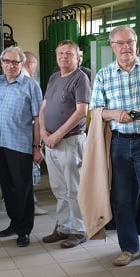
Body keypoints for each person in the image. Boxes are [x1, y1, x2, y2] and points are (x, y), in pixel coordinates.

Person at [89, 26, 140, 276]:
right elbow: (95, 109)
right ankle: (129, 248)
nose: (125, 47)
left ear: (136, 43)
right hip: (119, 143)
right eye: (120, 43)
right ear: (112, 46)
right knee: (121, 199)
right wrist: (114, 114)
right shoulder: (104, 75)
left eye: (129, 42)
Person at [0, 46, 43, 248]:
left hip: (20, 145)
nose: (10, 66)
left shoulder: (31, 86)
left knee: (22, 188)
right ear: (1, 63)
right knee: (7, 187)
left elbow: (38, 118)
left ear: (22, 64)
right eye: (6, 61)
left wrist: (37, 147)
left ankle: (24, 230)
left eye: (15, 62)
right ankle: (14, 223)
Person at [40, 40, 90, 248]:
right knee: (59, 188)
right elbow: (43, 107)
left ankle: (80, 230)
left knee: (74, 188)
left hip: (70, 141)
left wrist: (57, 135)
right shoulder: (54, 77)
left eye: (69, 53)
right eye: (60, 53)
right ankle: (64, 227)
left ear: (78, 57)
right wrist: (43, 133)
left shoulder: (80, 78)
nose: (63, 57)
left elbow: (81, 112)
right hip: (51, 142)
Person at [22, 50, 47, 216]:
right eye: (35, 66)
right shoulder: (31, 84)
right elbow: (38, 116)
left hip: (12, 138)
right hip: (28, 135)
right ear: (30, 64)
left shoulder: (2, 81)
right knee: (28, 172)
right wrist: (37, 146)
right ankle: (30, 205)